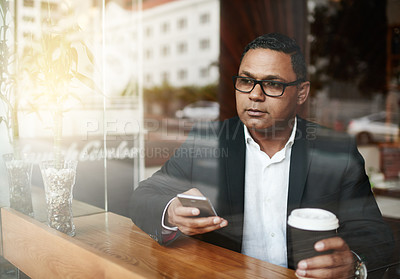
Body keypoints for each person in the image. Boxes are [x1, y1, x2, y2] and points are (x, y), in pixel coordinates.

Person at [130, 33, 394, 279]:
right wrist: (171, 212)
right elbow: (144, 196)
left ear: (301, 92)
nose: (255, 95)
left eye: (272, 84)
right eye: (246, 81)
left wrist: (354, 265)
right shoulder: (208, 141)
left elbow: (373, 235)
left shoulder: (335, 150)